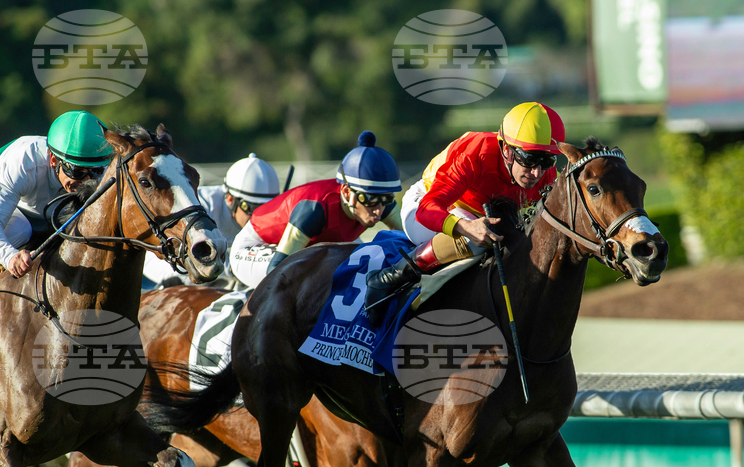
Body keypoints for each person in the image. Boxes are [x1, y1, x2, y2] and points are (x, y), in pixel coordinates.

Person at [364, 102, 564, 320]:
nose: (537, 171)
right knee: (481, 239)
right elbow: (426, 210)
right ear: (506, 149)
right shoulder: (477, 153)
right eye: (529, 159)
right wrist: (466, 227)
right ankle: (390, 277)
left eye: (546, 160)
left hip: (479, 214)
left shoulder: (545, 173)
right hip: (426, 205)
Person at [0, 110, 113, 290]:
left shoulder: (95, 167)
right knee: (19, 228)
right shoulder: (24, 160)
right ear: (53, 159)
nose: (86, 181)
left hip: (33, 211)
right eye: (76, 172)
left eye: (96, 171)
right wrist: (9, 256)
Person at [229, 131, 403, 290]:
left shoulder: (378, 202)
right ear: (346, 191)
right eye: (370, 199)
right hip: (256, 246)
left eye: (386, 198)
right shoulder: (315, 209)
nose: (378, 210)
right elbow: (277, 272)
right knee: (307, 274)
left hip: (310, 247)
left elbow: (413, 241)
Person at [144, 153, 280, 288]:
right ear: (230, 199)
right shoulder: (202, 204)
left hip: (216, 269)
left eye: (268, 209)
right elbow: (200, 258)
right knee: (195, 273)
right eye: (251, 208)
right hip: (164, 261)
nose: (259, 217)